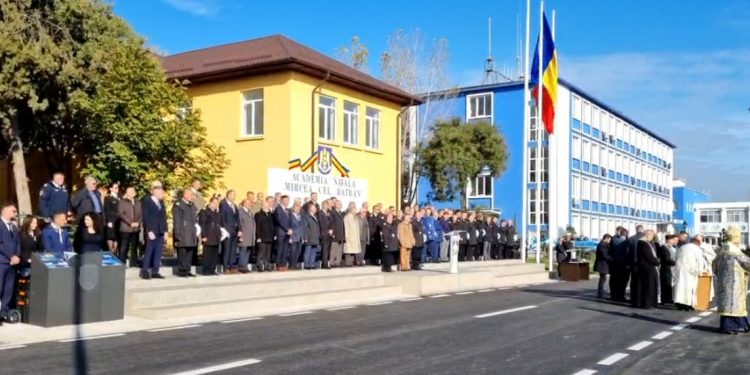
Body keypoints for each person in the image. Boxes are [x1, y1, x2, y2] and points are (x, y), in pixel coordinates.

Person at [712, 227, 750, 334]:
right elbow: (747, 264)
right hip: (735, 284)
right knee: (734, 305)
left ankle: (740, 324)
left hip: (723, 284)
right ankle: (729, 327)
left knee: (728, 305)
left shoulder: (722, 251)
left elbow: (714, 266)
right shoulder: (735, 251)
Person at [141, 181, 167, 280]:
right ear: (154, 191)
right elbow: (146, 216)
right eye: (160, 189)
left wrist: (165, 230)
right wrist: (149, 230)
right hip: (152, 230)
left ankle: (155, 271)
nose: (162, 192)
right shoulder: (147, 200)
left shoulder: (161, 202)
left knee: (158, 252)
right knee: (149, 251)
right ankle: (145, 271)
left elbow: (164, 217)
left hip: (160, 230)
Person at [674, 235, 708, 311]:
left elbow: (676, 257)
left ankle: (679, 304)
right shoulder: (696, 249)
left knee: (680, 287)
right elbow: (700, 261)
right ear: (698, 243)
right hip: (691, 271)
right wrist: (701, 271)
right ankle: (688, 305)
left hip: (680, 270)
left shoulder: (682, 247)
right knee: (690, 288)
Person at [0, 204, 21, 320]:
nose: (15, 214)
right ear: (6, 212)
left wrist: (17, 256)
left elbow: (18, 243)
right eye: (14, 211)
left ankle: (3, 313)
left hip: (12, 264)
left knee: (8, 289)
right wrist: (11, 256)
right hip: (2, 262)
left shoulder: (13, 227)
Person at [172, 189, 198, 277]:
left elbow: (194, 220)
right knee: (182, 252)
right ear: (185, 195)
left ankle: (187, 269)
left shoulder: (192, 205)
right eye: (191, 195)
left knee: (189, 252)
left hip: (191, 233)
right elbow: (177, 221)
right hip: (183, 233)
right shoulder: (178, 205)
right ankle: (182, 270)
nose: (193, 197)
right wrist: (177, 234)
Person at [631, 230, 660, 309]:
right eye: (651, 235)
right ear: (648, 235)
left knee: (644, 286)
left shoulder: (644, 243)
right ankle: (648, 303)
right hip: (647, 267)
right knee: (648, 286)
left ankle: (645, 303)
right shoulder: (643, 243)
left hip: (645, 267)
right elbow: (649, 256)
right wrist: (657, 262)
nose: (652, 237)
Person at [117, 187, 142, 266]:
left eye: (131, 192)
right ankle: (122, 262)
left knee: (134, 247)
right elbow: (121, 214)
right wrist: (130, 223)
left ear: (134, 193)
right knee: (124, 247)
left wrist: (138, 223)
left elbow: (142, 214)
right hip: (125, 228)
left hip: (136, 229)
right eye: (128, 192)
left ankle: (134, 263)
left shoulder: (138, 202)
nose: (129, 194)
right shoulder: (122, 202)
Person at [198, 197, 222, 275]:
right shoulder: (204, 212)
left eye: (217, 203)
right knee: (207, 254)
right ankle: (206, 270)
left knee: (214, 255)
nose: (216, 205)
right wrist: (203, 235)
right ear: (210, 203)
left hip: (216, 236)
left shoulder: (217, 213)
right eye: (214, 203)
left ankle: (212, 269)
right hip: (208, 236)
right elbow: (202, 224)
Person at [219, 190, 241, 273]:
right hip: (227, 231)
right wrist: (224, 230)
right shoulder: (223, 204)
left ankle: (232, 265)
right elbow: (222, 218)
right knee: (227, 249)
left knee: (233, 250)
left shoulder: (234, 206)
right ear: (228, 195)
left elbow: (237, 219)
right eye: (233, 195)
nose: (234, 197)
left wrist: (239, 229)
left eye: (235, 195)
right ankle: (225, 267)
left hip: (234, 231)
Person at [609, 227, 630, 302]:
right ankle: (620, 296)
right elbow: (627, 252)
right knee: (622, 281)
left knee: (614, 280)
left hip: (614, 263)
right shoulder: (625, 241)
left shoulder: (613, 239)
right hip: (623, 264)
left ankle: (613, 295)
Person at [657, 234, 679, 305]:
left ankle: (669, 299)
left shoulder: (671, 247)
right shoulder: (664, 247)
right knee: (665, 284)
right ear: (668, 240)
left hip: (671, 268)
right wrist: (676, 262)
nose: (673, 241)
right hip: (666, 268)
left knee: (669, 284)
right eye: (672, 240)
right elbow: (667, 259)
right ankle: (665, 299)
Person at [273, 195, 292, 271]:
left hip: (287, 233)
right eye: (286, 200)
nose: (287, 202)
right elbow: (280, 220)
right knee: (280, 249)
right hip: (281, 232)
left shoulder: (288, 210)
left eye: (288, 200)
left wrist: (290, 229)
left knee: (285, 249)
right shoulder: (278, 209)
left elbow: (290, 220)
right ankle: (279, 264)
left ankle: (283, 264)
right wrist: (287, 229)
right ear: (282, 201)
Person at [255, 200, 274, 272]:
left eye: (268, 205)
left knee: (268, 253)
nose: (267, 206)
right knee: (261, 253)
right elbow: (258, 226)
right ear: (262, 206)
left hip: (270, 236)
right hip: (262, 236)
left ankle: (267, 265)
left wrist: (273, 234)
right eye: (265, 205)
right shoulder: (258, 214)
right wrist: (258, 237)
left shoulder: (270, 214)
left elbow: (272, 225)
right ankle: (259, 266)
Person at [237, 198, 256, 273]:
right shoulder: (240, 211)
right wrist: (240, 233)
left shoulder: (250, 212)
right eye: (247, 203)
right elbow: (239, 223)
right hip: (244, 235)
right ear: (244, 204)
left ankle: (245, 266)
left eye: (250, 203)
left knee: (247, 251)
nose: (249, 205)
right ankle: (241, 267)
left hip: (250, 235)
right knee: (243, 251)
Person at [103, 182, 121, 253]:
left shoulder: (120, 197)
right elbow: (107, 210)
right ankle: (111, 252)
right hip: (111, 221)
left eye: (117, 187)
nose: (117, 189)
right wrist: (109, 221)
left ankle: (115, 253)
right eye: (115, 188)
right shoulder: (108, 198)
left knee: (117, 238)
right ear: (111, 189)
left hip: (119, 221)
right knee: (110, 237)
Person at [594, 234, 613, 299]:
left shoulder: (603, 244)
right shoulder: (602, 245)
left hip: (602, 264)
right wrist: (612, 259)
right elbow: (604, 255)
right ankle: (600, 294)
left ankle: (600, 293)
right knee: (602, 279)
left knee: (602, 279)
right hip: (602, 264)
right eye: (609, 239)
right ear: (606, 238)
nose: (610, 241)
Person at [302, 203, 321, 269]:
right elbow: (305, 228)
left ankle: (312, 264)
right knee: (308, 251)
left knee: (313, 251)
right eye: (314, 208)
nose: (315, 209)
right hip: (309, 237)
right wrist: (305, 237)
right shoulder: (306, 216)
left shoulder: (315, 216)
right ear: (310, 208)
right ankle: (307, 264)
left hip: (315, 237)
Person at [318, 199, 334, 269]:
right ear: (323, 205)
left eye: (327, 205)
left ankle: (326, 262)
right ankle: (324, 264)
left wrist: (331, 230)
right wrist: (327, 230)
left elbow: (331, 222)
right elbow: (321, 224)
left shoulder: (328, 213)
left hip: (329, 234)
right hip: (324, 234)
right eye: (326, 205)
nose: (327, 206)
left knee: (327, 249)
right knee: (324, 249)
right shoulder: (320, 213)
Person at [330, 200, 346, 267]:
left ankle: (338, 262)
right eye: (338, 204)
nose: (340, 205)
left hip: (341, 234)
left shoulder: (342, 213)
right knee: (334, 249)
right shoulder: (332, 213)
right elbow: (331, 223)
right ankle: (332, 262)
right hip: (335, 234)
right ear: (335, 205)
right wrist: (332, 233)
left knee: (340, 249)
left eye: (340, 204)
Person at [289, 202, 304, 270]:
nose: (298, 209)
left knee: (298, 252)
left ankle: (295, 264)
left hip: (300, 237)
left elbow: (302, 227)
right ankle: (291, 265)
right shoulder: (290, 216)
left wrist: (303, 237)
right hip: (293, 237)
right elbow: (289, 226)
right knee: (292, 252)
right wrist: (290, 237)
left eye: (299, 208)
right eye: (296, 208)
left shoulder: (300, 217)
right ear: (293, 209)